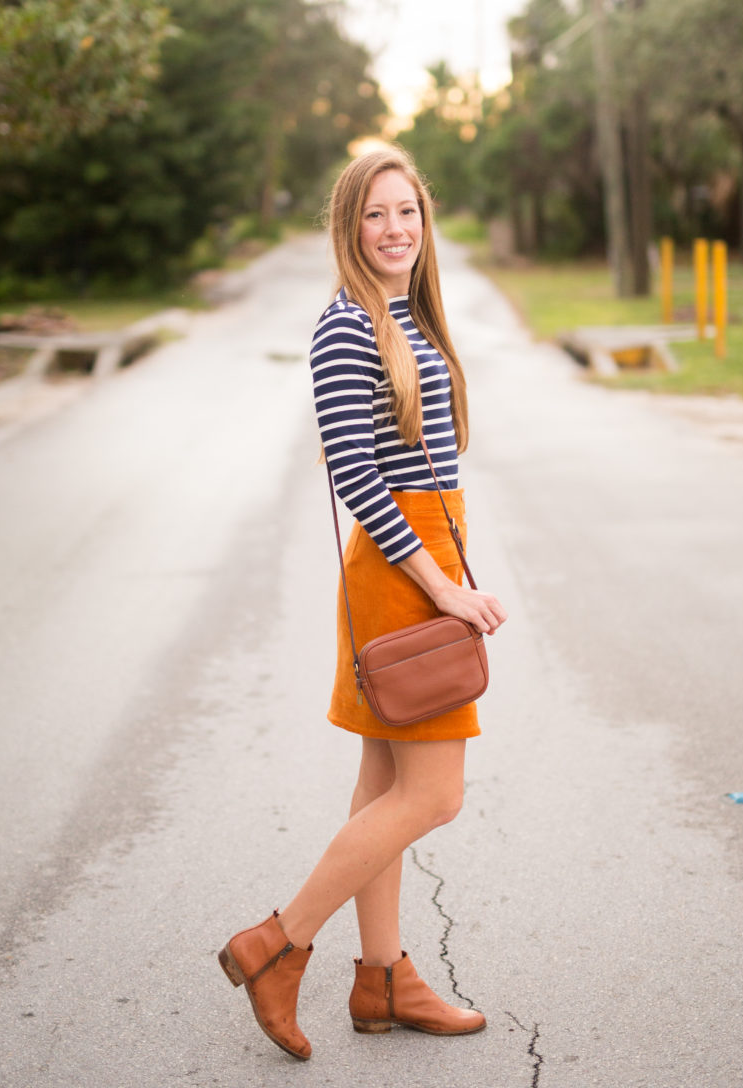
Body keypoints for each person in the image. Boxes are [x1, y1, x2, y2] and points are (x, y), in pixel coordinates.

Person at [217, 144, 507, 1060]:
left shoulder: (408, 315)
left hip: (416, 566)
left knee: (382, 784)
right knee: (436, 794)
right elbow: (358, 475)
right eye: (376, 215)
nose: (395, 230)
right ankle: (277, 943)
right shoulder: (345, 324)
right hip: (399, 578)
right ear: (349, 228)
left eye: (407, 214)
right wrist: (446, 592)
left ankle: (384, 981)